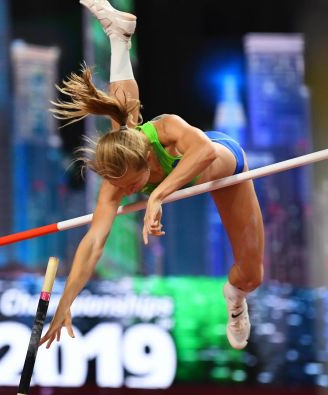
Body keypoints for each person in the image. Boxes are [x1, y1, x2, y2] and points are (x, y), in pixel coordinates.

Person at [39, 0, 264, 350]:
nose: (128, 191)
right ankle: (119, 37)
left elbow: (203, 153)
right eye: (123, 187)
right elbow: (93, 244)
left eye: (132, 184)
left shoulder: (166, 129)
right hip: (156, 152)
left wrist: (157, 195)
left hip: (226, 165)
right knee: (123, 122)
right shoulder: (119, 174)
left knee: (251, 275)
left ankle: (235, 301)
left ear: (146, 157)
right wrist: (64, 303)